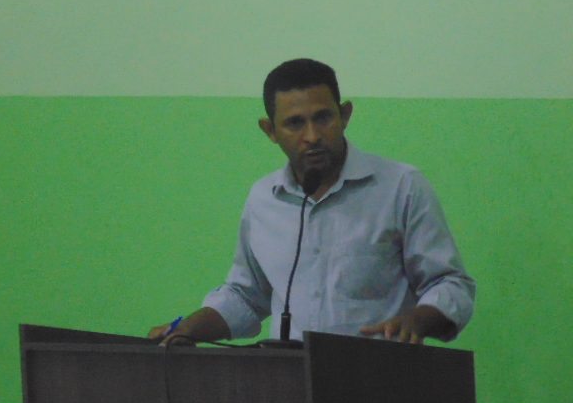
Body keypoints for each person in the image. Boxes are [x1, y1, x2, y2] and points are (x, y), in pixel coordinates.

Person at [149, 58, 475, 345]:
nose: (313, 136)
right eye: (295, 123)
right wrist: (188, 329)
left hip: (382, 379)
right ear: (270, 130)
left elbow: (450, 284)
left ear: (345, 115)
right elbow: (246, 297)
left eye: (323, 118)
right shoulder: (263, 199)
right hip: (290, 383)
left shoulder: (401, 187)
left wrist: (417, 320)